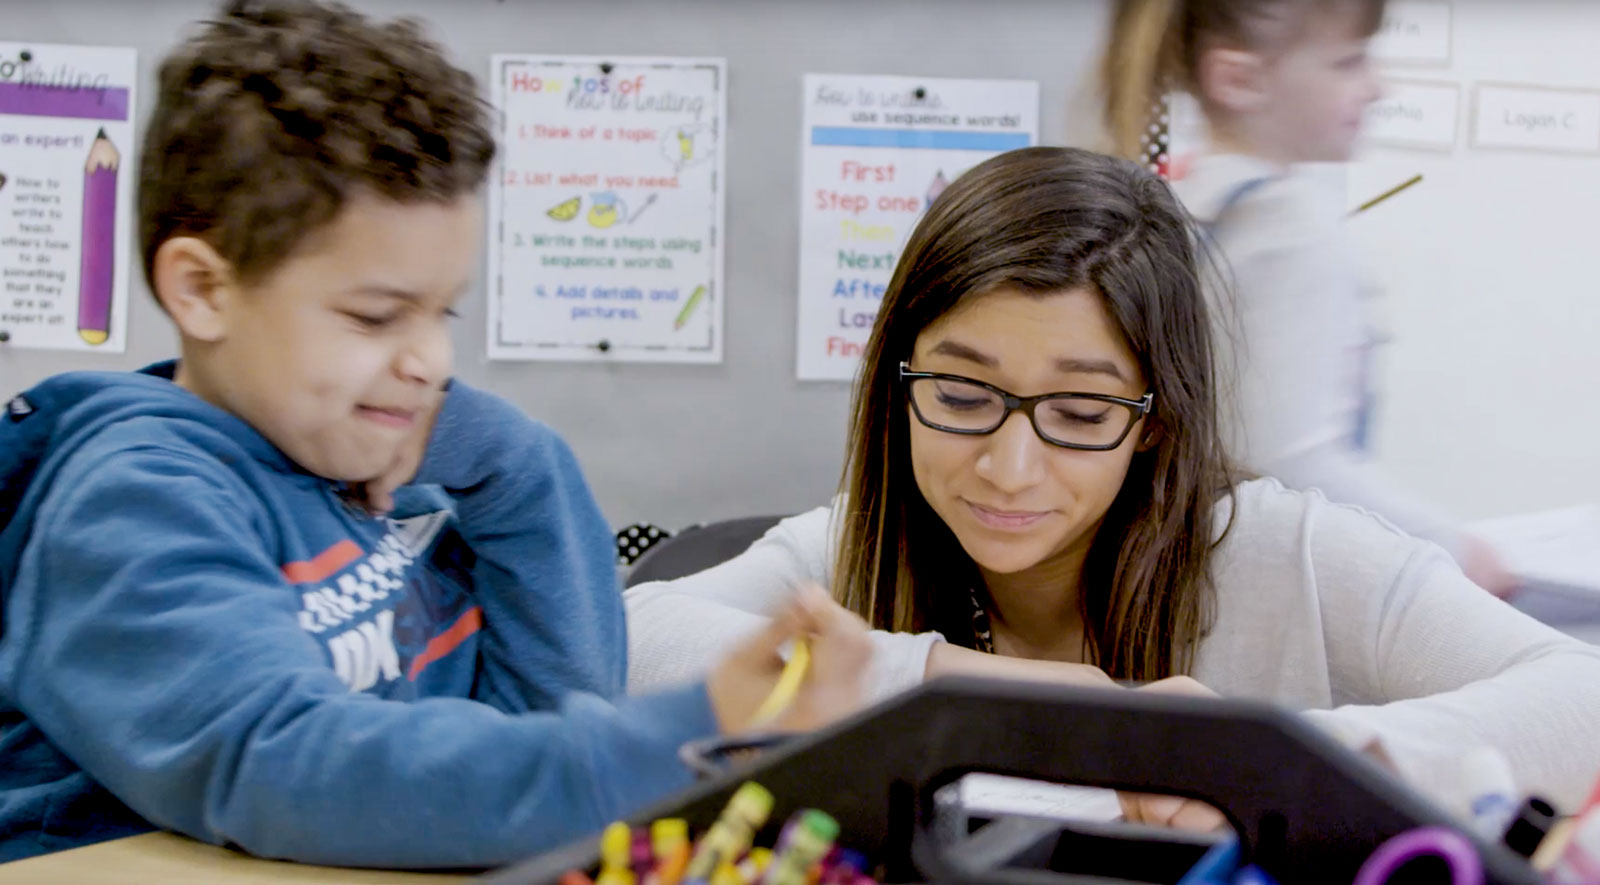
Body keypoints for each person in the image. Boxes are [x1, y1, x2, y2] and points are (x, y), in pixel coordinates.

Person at [0, 0, 870, 867]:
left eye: (441, 311)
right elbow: (292, 769)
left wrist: (513, 462)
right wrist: (692, 731)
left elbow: (536, 724)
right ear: (203, 290)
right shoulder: (130, 503)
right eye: (377, 315)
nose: (432, 360)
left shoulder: (383, 466)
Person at [625, 147, 1600, 821]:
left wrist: (1246, 756)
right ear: (899, 383)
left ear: (1155, 421)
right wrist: (954, 686)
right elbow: (611, 641)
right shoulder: (850, 548)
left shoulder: (1287, 551)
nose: (1008, 468)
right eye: (963, 395)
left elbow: (1580, 699)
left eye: (1081, 416)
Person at [1100, 0, 1516, 595]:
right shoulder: (1289, 225)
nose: (1377, 87)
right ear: (1239, 79)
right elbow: (1292, 467)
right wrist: (1458, 552)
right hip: (1260, 583)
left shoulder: (1187, 198)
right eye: (1348, 63)